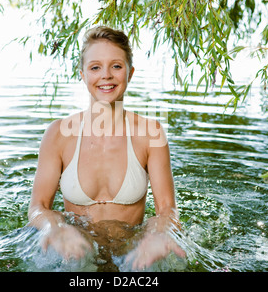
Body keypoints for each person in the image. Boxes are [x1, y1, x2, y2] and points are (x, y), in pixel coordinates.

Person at [28, 25, 186, 270]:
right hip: (76, 253)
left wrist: (157, 234)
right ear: (82, 74)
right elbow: (38, 207)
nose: (106, 76)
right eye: (95, 67)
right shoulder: (58, 134)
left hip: (133, 255)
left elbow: (168, 210)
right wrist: (55, 228)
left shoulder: (150, 133)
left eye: (116, 66)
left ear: (130, 73)